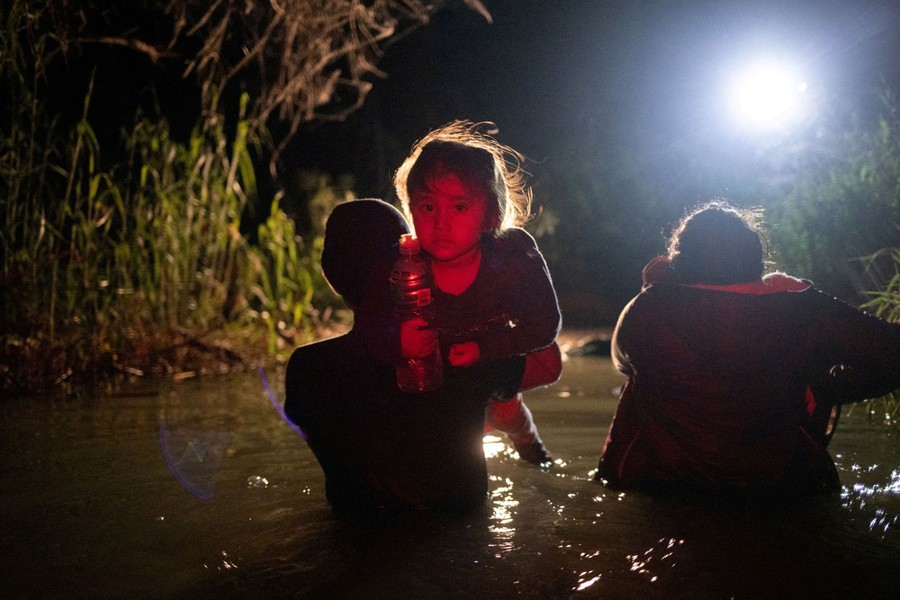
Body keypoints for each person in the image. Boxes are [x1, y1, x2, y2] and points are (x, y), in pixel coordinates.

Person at [596, 200, 900, 496]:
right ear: (755, 260)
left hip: (661, 485)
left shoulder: (648, 308)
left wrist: (657, 282)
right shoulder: (801, 308)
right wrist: (830, 387)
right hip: (780, 488)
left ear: (682, 265)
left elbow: (621, 362)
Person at [284, 199, 553, 512]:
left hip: (356, 541)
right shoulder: (463, 353)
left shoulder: (306, 370)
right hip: (461, 542)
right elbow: (545, 363)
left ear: (331, 276)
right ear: (413, 264)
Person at [392, 120, 562, 465]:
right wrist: (400, 341)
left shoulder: (512, 254)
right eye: (427, 207)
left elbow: (545, 324)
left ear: (491, 217)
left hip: (503, 356)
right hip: (443, 366)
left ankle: (528, 444)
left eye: (459, 208)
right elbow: (375, 324)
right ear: (410, 210)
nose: (441, 223)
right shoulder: (407, 266)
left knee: (510, 406)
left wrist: (484, 349)